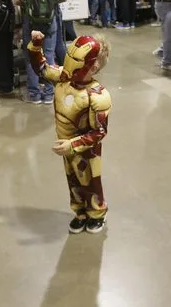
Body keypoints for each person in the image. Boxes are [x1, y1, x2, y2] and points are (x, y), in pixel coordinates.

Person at [28, 31, 112, 234]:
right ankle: (80, 212)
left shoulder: (97, 96)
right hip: (65, 145)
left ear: (93, 67)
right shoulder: (64, 78)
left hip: (86, 149)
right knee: (73, 179)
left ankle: (96, 213)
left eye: (77, 59)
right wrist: (36, 45)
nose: (70, 62)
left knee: (91, 180)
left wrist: (73, 144)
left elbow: (99, 132)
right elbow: (41, 68)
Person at [13, 0, 68, 104]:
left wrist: (30, 4)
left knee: (31, 56)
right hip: (50, 19)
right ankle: (49, 94)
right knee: (49, 55)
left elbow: (16, 0)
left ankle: (35, 94)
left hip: (30, 20)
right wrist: (50, 3)